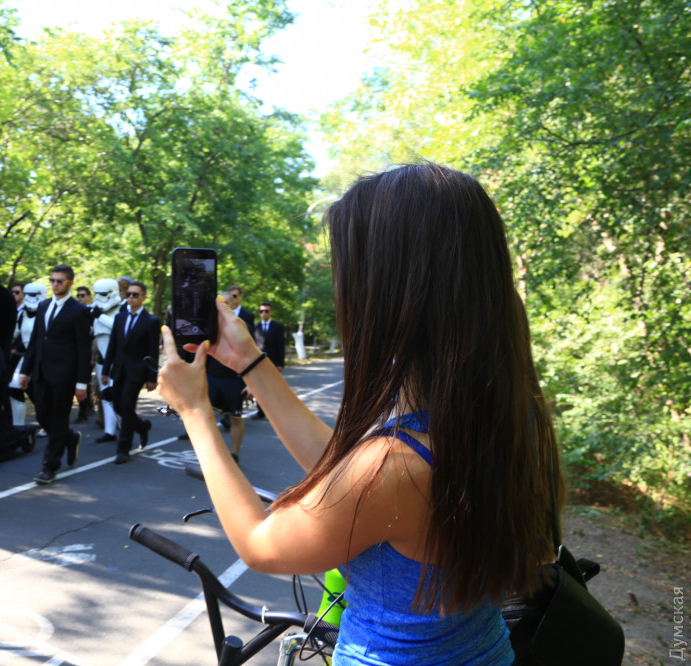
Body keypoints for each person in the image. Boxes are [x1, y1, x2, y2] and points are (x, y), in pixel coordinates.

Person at [157, 163, 561, 665]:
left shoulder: (397, 465)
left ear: (391, 293)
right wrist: (251, 363)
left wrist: (194, 410)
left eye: (347, 273)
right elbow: (342, 471)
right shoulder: (507, 410)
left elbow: (262, 545)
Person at [20, 264, 92, 485]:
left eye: (59, 281)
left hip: (65, 375)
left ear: (70, 283)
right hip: (41, 372)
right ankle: (69, 437)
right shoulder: (43, 306)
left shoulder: (79, 311)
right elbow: (35, 340)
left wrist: (82, 383)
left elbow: (83, 350)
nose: (55, 284)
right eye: (52, 280)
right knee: (43, 416)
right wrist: (25, 371)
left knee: (59, 420)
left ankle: (49, 467)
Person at [101, 280, 159, 464]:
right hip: (119, 369)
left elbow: (152, 352)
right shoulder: (120, 317)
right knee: (118, 406)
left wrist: (152, 378)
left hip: (137, 371)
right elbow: (113, 346)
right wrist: (105, 370)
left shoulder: (151, 321)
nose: (131, 297)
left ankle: (123, 448)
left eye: (135, 295)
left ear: (144, 297)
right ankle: (141, 426)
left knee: (126, 405)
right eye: (129, 294)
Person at [204, 290, 249, 463]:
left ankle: (234, 454)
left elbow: (251, 356)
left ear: (233, 304)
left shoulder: (242, 326)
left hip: (233, 380)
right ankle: (212, 454)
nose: (221, 307)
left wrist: (250, 384)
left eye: (225, 303)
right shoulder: (210, 325)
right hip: (212, 378)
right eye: (218, 303)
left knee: (235, 419)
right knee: (206, 416)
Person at [90, 277, 124, 443]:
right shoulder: (96, 310)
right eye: (96, 294)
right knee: (106, 395)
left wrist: (100, 316)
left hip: (117, 359)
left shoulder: (123, 308)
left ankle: (127, 430)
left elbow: (120, 328)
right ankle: (109, 431)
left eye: (102, 294)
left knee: (118, 396)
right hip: (101, 359)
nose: (98, 298)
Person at [8, 282, 46, 426]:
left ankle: (47, 424)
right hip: (26, 356)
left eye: (33, 295)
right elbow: (14, 334)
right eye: (27, 294)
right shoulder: (22, 314)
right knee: (14, 387)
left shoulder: (48, 313)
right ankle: (18, 426)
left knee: (40, 392)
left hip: (44, 357)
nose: (30, 298)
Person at [250, 301, 285, 420]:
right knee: (259, 387)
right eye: (261, 311)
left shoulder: (278, 326)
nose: (263, 313)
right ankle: (260, 411)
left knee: (271, 387)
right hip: (258, 362)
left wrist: (280, 363)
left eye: (266, 311)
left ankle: (275, 411)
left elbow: (280, 346)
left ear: (271, 312)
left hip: (273, 361)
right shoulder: (255, 327)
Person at [73, 285, 94, 423]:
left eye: (82, 295)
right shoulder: (75, 312)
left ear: (89, 297)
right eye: (78, 296)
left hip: (91, 351)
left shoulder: (94, 312)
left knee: (84, 380)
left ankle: (83, 412)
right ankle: (87, 406)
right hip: (77, 351)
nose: (79, 298)